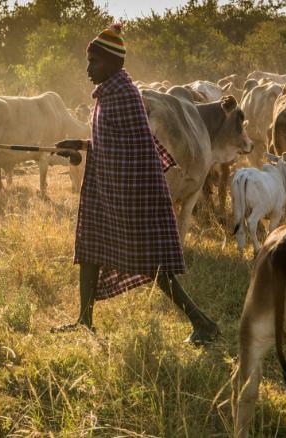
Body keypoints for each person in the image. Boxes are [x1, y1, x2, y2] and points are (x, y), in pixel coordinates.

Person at [51, 24, 219, 344]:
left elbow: (136, 151)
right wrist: (81, 145)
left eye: (94, 62)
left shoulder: (124, 96)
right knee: (89, 248)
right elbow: (112, 141)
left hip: (132, 194)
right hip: (107, 191)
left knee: (153, 265)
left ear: (115, 64)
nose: (88, 69)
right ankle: (84, 320)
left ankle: (203, 323)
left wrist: (91, 152)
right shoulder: (109, 93)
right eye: (88, 61)